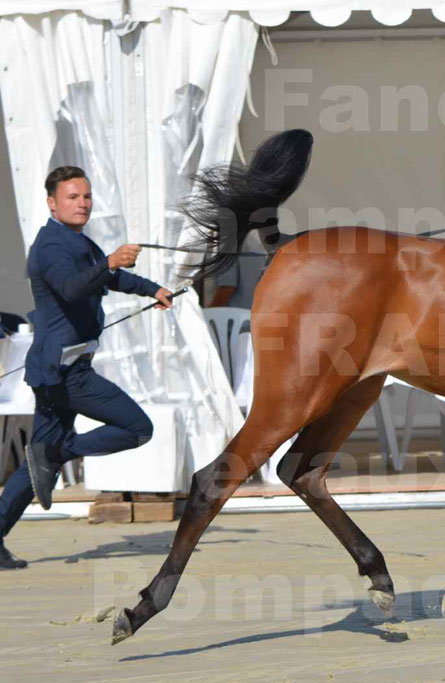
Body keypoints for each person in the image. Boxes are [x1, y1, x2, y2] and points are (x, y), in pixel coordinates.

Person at [0, 166, 173, 570]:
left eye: (86, 197)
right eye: (73, 197)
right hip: (65, 374)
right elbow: (73, 287)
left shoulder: (77, 240)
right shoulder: (50, 246)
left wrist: (153, 289)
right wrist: (109, 260)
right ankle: (59, 451)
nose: (82, 203)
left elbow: (110, 278)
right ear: (52, 203)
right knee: (137, 428)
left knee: (34, 465)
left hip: (58, 370)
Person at [207, 229, 269, 308]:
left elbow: (226, 289)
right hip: (261, 311)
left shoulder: (229, 241)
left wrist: (207, 313)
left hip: (236, 314)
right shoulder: (260, 236)